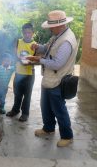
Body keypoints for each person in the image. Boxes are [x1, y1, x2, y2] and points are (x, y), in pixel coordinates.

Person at [27, 10, 78, 147]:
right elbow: (48, 49)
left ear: (60, 25)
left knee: (59, 110)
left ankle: (67, 136)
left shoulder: (67, 41)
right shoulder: (57, 36)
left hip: (58, 80)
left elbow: (57, 63)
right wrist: (38, 47)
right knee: (46, 106)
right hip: (49, 78)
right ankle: (48, 128)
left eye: (51, 27)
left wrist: (39, 60)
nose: (50, 29)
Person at [6, 23, 36, 122]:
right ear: (22, 33)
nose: (27, 34)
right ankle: (15, 110)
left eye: (29, 32)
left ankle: (25, 113)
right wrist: (19, 59)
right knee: (17, 93)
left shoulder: (35, 45)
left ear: (33, 33)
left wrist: (30, 62)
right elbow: (14, 55)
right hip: (19, 73)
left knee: (27, 95)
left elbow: (37, 59)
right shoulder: (18, 42)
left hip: (29, 74)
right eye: (25, 32)